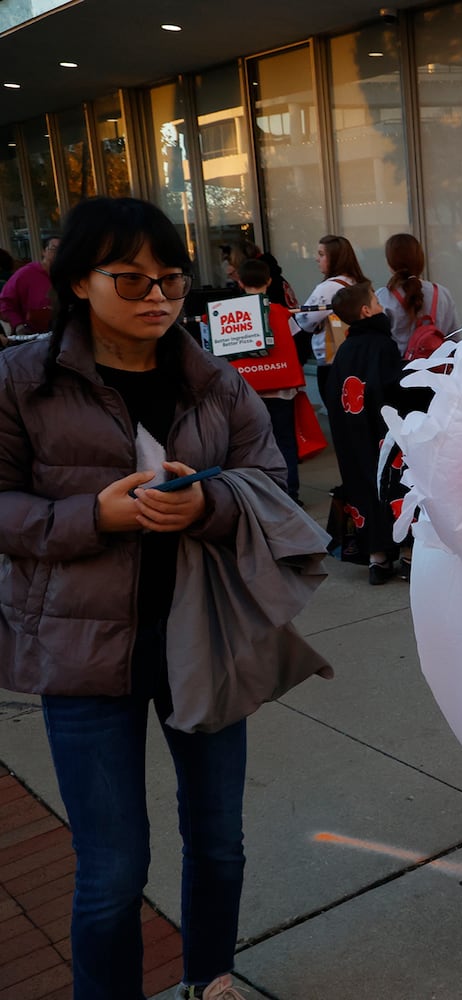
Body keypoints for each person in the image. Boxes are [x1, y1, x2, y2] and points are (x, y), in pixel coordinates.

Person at [0, 197, 329, 1000]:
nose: (157, 297)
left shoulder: (213, 381)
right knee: (112, 871)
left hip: (202, 640)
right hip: (82, 654)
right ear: (78, 280)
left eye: (172, 282)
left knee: (219, 839)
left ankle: (209, 978)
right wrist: (93, 516)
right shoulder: (21, 380)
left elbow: (272, 482)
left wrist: (207, 507)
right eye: (132, 279)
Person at [320, 280, 403, 584]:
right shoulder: (382, 345)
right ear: (368, 311)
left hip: (352, 438)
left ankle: (376, 558)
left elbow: (333, 393)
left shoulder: (345, 350)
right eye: (378, 304)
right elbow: (392, 389)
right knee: (394, 488)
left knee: (364, 489)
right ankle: (406, 552)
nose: (383, 309)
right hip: (383, 434)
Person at [230, 258, 305, 500]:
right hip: (281, 387)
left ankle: (260, 493)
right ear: (270, 281)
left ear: (239, 282)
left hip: (247, 389)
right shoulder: (280, 312)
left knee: (251, 443)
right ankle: (290, 492)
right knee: (285, 441)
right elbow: (293, 338)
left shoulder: (230, 313)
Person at [290, 234, 367, 383]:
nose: (317, 259)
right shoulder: (358, 283)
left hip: (332, 361)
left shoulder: (328, 288)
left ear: (335, 258)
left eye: (321, 254)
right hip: (360, 355)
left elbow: (304, 320)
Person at [376, 233, 457, 360]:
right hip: (438, 371)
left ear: (390, 263)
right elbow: (454, 338)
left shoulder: (383, 297)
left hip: (401, 372)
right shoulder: (442, 293)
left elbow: (378, 343)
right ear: (420, 260)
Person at [0, 235, 60, 334]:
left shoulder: (68, 275)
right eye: (54, 249)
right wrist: (18, 325)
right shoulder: (26, 273)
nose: (59, 253)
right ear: (43, 251)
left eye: (63, 249)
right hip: (33, 335)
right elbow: (4, 302)